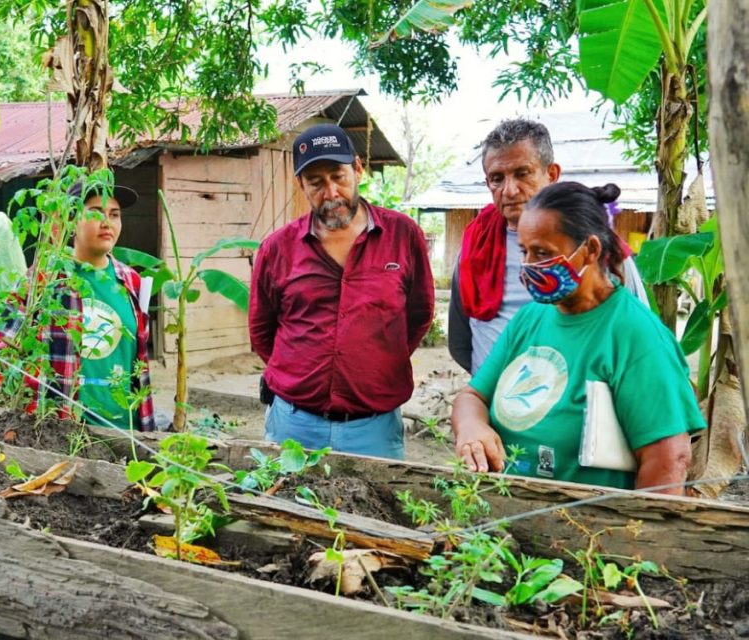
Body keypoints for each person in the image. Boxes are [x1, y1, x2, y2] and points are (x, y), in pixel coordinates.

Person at [450, 182, 704, 493]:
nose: (529, 265)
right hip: (507, 519)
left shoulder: (635, 336)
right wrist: (472, 428)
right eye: (524, 251)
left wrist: (635, 536)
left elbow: (668, 460)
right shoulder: (531, 318)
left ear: (591, 250)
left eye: (543, 253)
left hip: (588, 531)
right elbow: (472, 397)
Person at [249, 123, 435, 460]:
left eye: (338, 176)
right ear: (301, 185)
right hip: (294, 424)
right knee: (283, 507)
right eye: (316, 183)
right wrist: (301, 373)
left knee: (374, 511)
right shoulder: (277, 249)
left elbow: (419, 314)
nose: (331, 192)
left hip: (374, 428)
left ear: (358, 168)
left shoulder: (403, 235)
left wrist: (372, 362)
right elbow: (262, 330)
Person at [449, 119, 648, 374]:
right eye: (497, 179)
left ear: (551, 174)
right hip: (492, 403)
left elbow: (638, 335)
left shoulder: (597, 249)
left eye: (522, 173)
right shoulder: (474, 246)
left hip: (575, 402)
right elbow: (461, 338)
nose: (509, 191)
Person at [0, 179, 155, 431]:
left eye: (114, 215)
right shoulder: (45, 278)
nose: (107, 223)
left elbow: (139, 364)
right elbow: (3, 348)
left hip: (127, 431)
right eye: (95, 213)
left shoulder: (130, 281)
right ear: (71, 220)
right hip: (65, 431)